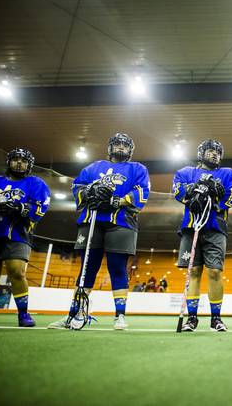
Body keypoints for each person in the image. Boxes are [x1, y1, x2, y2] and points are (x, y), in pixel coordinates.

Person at [48, 133, 150, 330]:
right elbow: (77, 186)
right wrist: (89, 192)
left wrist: (117, 201)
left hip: (122, 222)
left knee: (117, 268)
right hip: (91, 221)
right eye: (117, 144)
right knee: (87, 269)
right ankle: (75, 314)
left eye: (125, 145)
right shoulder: (93, 167)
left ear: (130, 150)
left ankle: (119, 316)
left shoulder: (138, 169)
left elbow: (141, 191)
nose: (121, 147)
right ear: (110, 147)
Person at [0, 148, 50, 327]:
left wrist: (19, 208)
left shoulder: (35, 183)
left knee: (17, 270)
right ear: (8, 162)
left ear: (29, 164)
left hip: (18, 232)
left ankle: (23, 314)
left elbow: (40, 208)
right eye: (15, 159)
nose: (19, 163)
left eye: (23, 160)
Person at [172, 139, 232, 332]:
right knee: (193, 272)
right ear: (201, 153)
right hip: (191, 227)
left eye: (218, 152)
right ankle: (192, 318)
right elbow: (177, 192)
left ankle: (216, 318)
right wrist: (195, 187)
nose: (214, 154)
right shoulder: (186, 173)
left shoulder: (229, 174)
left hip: (216, 227)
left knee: (214, 272)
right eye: (210, 151)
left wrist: (217, 194)